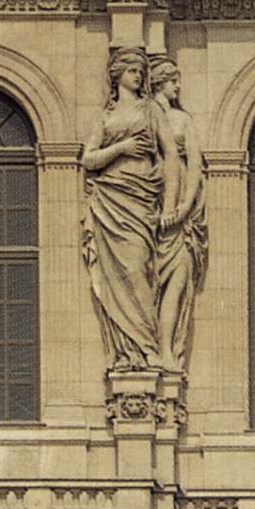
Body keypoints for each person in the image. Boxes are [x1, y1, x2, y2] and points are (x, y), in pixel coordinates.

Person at [81, 47, 181, 372]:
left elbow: (170, 155)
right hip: (110, 198)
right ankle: (129, 352)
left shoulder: (151, 109)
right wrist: (121, 148)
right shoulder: (106, 118)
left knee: (138, 269)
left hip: (141, 199)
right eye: (131, 71)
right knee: (117, 275)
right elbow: (89, 158)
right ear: (117, 75)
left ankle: (147, 345)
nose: (138, 76)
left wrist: (169, 205)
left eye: (140, 71)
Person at [148, 56, 208, 373]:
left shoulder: (183, 120)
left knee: (179, 278)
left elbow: (195, 167)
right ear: (159, 81)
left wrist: (183, 208)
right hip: (147, 210)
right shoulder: (144, 117)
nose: (179, 86)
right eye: (174, 81)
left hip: (179, 217)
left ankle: (167, 350)